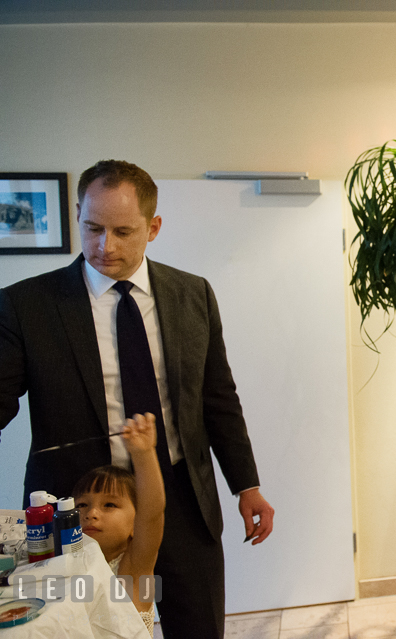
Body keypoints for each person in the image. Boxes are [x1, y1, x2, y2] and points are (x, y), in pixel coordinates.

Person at [0, 159, 275, 638]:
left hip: (181, 496)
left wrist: (245, 484)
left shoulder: (193, 294)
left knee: (197, 624)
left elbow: (218, 398)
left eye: (123, 231)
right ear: (78, 216)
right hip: (80, 511)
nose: (105, 246)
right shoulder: (27, 305)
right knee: (88, 631)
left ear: (153, 227)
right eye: (93, 228)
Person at [74, 413, 165, 634]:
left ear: (136, 524)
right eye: (82, 505)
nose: (91, 513)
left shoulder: (134, 569)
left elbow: (152, 513)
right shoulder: (69, 564)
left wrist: (143, 454)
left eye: (109, 505)